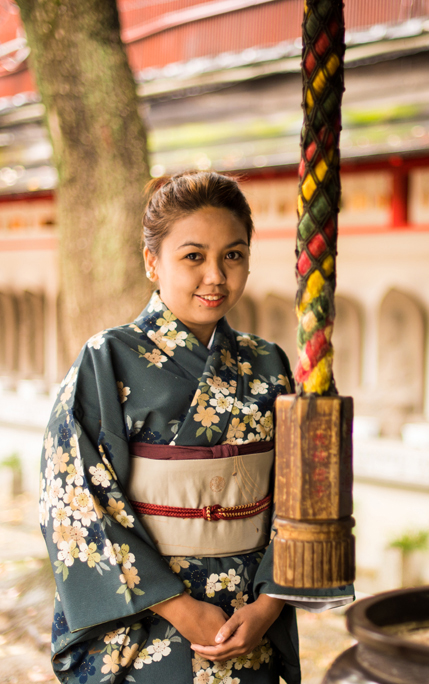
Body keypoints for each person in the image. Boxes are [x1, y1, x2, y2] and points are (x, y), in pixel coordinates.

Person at [40, 171, 354, 684]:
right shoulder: (108, 360)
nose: (216, 276)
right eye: (193, 257)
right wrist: (181, 610)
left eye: (233, 255)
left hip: (248, 614)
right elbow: (76, 500)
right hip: (149, 626)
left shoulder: (270, 364)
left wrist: (270, 604)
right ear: (152, 262)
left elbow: (304, 494)